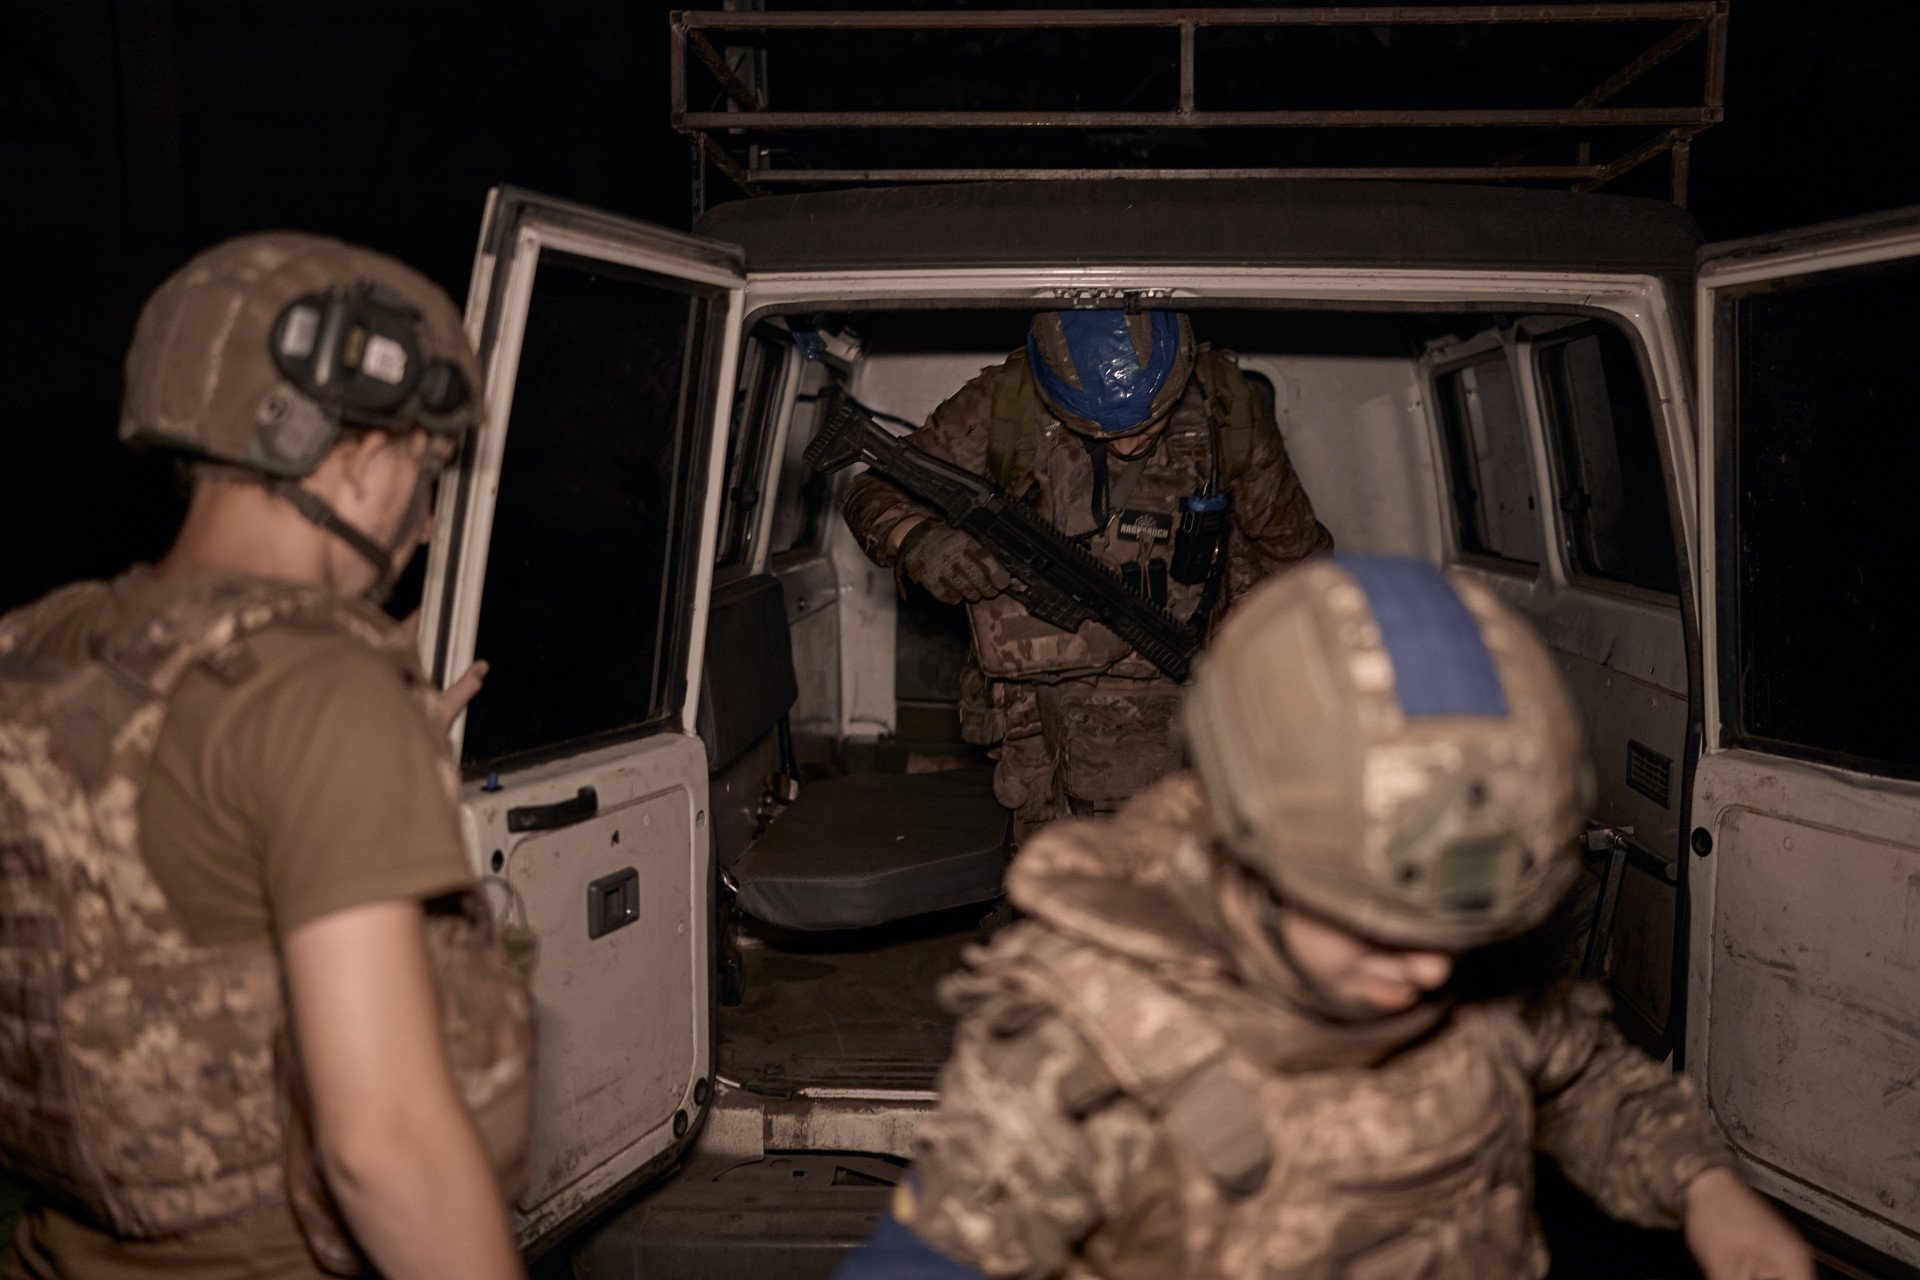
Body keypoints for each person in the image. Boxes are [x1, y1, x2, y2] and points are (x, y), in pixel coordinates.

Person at [836, 554, 1813, 1280]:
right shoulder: (1081, 1052)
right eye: (1376, 928)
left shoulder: (1465, 961)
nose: (1430, 973)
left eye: (1459, 935)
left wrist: (1704, 1185)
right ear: (1243, 849)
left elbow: (1585, 1072)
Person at [0, 233, 526, 1279]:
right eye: (424, 471)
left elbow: (145, 882)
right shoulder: (317, 690)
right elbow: (384, 1146)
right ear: (354, 455)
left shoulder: (44, 640)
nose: (424, 521)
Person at [842, 311, 1332, 837]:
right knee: (1054, 877)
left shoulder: (1226, 411)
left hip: (1183, 690)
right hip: (1037, 709)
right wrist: (917, 539)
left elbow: (1296, 558)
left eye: (1148, 422)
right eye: (1098, 430)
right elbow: (872, 489)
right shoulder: (1006, 405)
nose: (1126, 445)